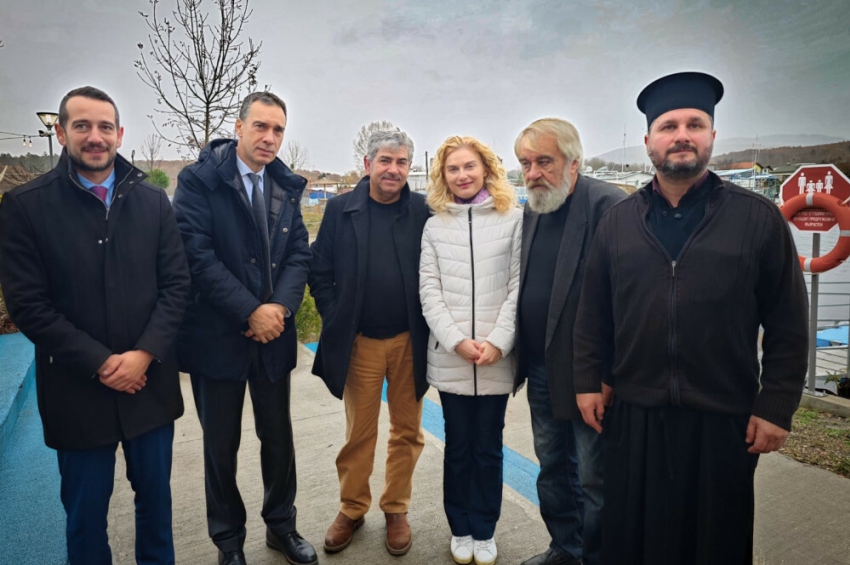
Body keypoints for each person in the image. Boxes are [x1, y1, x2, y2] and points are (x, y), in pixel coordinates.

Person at [574, 71, 809, 565]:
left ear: (712, 136)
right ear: (648, 141)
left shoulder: (757, 219)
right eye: (668, 126)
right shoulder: (617, 223)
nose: (682, 135)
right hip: (635, 412)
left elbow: (788, 322)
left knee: (715, 544)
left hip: (723, 417)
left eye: (694, 124)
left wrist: (777, 405)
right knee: (632, 541)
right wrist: (589, 380)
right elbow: (594, 312)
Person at [0, 86, 190, 564]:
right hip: (77, 392)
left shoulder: (153, 202)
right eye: (82, 125)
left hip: (148, 386)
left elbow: (177, 286)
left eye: (105, 126)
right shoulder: (25, 206)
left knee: (156, 510)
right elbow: (29, 305)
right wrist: (103, 363)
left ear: (120, 134)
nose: (95, 136)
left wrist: (143, 355)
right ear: (62, 133)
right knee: (85, 521)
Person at [172, 91, 315, 565]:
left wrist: (279, 309)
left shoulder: (285, 186)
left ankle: (282, 526)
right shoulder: (199, 181)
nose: (270, 137)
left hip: (272, 337)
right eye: (261, 126)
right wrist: (249, 310)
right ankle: (228, 542)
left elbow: (298, 254)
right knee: (221, 447)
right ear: (238, 127)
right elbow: (196, 255)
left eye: (278, 129)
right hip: (217, 338)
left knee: (278, 438)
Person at [308, 129, 430, 557]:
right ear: (367, 164)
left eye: (401, 162)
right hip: (360, 343)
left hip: (410, 342)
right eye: (385, 161)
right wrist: (336, 317)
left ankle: (396, 508)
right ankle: (352, 507)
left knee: (408, 431)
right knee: (359, 433)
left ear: (409, 167)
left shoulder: (422, 210)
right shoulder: (340, 210)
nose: (393, 169)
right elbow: (319, 271)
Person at [513, 118, 626, 565]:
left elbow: (626, 301)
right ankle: (566, 548)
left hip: (588, 375)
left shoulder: (608, 208)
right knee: (553, 467)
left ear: (574, 162)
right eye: (526, 163)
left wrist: (606, 374)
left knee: (596, 478)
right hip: (541, 367)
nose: (534, 173)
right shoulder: (534, 209)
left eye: (545, 161)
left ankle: (600, 556)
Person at [419, 136, 522, 565]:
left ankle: (484, 529)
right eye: (453, 168)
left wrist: (499, 341)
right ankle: (459, 527)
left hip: (497, 358)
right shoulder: (434, 226)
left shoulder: (513, 219)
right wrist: (456, 340)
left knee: (489, 448)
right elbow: (429, 291)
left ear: (486, 169)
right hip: (452, 358)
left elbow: (518, 286)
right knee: (459, 448)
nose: (462, 175)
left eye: (469, 166)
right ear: (442, 175)